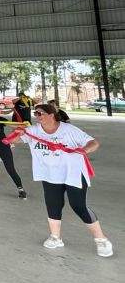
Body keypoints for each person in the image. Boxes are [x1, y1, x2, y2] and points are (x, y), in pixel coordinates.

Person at [13, 104, 112, 257]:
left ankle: (101, 240)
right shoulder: (34, 130)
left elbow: (94, 143)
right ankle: (55, 237)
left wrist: (85, 150)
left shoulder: (68, 130)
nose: (37, 116)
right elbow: (17, 140)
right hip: (50, 174)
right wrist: (17, 132)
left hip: (73, 173)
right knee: (53, 205)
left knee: (78, 206)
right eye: (35, 113)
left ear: (52, 115)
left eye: (40, 113)